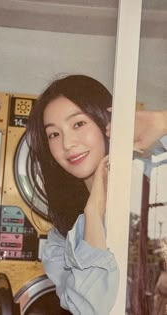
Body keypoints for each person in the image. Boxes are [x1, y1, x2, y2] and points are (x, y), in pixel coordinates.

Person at [26, 74, 167, 315]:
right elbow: (91, 309)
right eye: (54, 134)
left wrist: (163, 121)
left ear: (106, 123)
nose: (67, 143)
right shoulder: (61, 241)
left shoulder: (157, 184)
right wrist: (93, 213)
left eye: (78, 124)